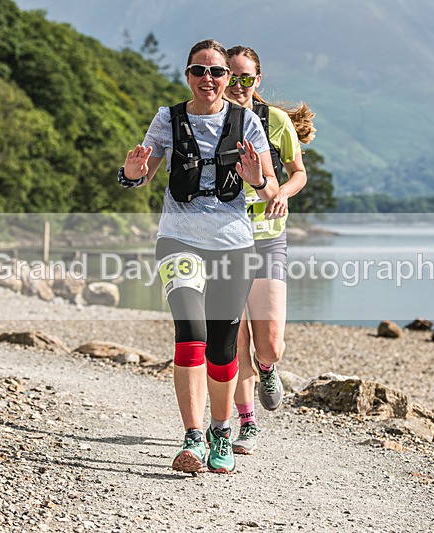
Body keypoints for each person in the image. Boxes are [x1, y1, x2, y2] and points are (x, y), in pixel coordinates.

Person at [118, 39, 278, 474]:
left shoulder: (246, 122)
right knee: (191, 335)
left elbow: (269, 191)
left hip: (232, 244)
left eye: (217, 72)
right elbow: (141, 175)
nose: (208, 79)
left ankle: (220, 431)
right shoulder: (167, 119)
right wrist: (131, 173)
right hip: (179, 240)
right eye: (198, 71)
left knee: (223, 350)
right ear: (187, 76)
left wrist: (255, 177)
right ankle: (191, 436)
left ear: (229, 78)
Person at [224, 45, 316, 455]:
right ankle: (247, 424)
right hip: (223, 239)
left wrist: (283, 195)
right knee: (234, 339)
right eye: (232, 76)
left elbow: (298, 174)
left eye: (247, 78)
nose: (239, 85)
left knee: (270, 343)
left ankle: (268, 368)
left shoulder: (274, 121)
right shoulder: (209, 120)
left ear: (257, 81)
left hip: (267, 236)